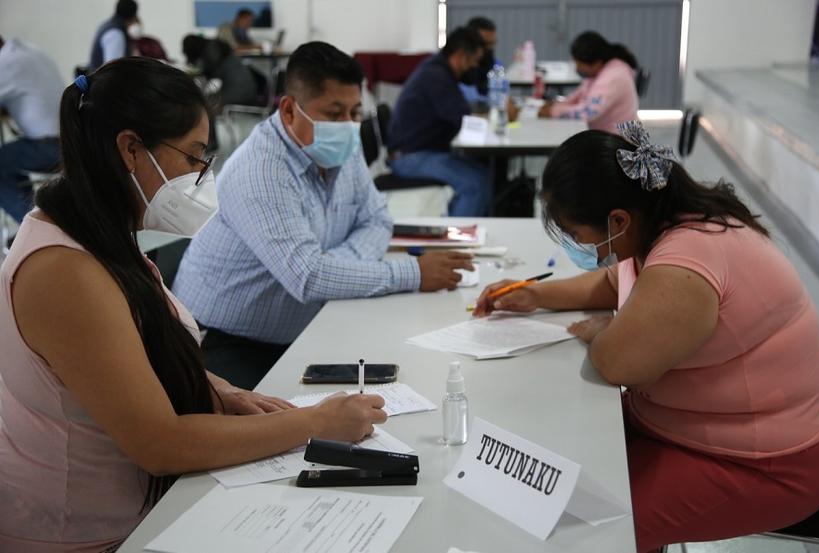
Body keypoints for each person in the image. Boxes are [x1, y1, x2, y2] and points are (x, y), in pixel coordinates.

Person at [0, 57, 386, 551]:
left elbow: (124, 356)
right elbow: (159, 444)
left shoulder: (98, 230)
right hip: (84, 533)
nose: (203, 177)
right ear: (131, 149)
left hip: (135, 507)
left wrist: (216, 387)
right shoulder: (63, 272)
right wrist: (315, 424)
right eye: (194, 158)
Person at [474, 121, 819, 552]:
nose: (575, 244)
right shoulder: (658, 222)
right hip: (688, 424)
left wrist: (610, 327)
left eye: (576, 235)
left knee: (587, 528)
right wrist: (535, 295)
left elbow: (618, 363)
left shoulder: (688, 259)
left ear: (617, 220)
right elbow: (612, 284)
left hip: (764, 463)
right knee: (546, 458)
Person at [173, 42, 473, 390]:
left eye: (355, 112)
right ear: (288, 111)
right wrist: (413, 273)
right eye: (333, 114)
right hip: (228, 343)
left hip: (313, 318)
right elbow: (310, 278)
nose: (347, 125)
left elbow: (376, 218)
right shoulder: (261, 172)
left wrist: (334, 267)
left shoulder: (342, 143)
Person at [387, 27, 490, 217]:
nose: (474, 68)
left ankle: (461, 225)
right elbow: (463, 118)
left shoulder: (437, 70)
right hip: (411, 157)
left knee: (483, 173)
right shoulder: (437, 76)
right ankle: (459, 240)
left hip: (419, 151)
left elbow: (461, 110)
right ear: (460, 55)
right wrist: (492, 115)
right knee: (474, 184)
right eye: (474, 61)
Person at [0, 36, 63, 223]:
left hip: (50, 148)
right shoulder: (31, 49)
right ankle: (37, 216)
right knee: (8, 162)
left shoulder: (5, 63)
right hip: (72, 138)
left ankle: (35, 226)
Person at [539, 31, 639, 133]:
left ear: (596, 63)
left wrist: (554, 111)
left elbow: (588, 112)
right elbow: (578, 96)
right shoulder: (599, 72)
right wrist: (556, 105)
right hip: (605, 134)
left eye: (579, 64)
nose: (577, 68)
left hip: (619, 141)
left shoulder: (613, 77)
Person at [182, 34, 257, 106]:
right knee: (208, 100)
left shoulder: (212, 49)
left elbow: (211, 70)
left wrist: (199, 74)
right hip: (243, 83)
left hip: (240, 87)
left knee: (210, 104)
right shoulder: (213, 45)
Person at [88, 0, 140, 71]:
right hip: (104, 81)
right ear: (133, 17)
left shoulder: (107, 25)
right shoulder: (116, 33)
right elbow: (113, 69)